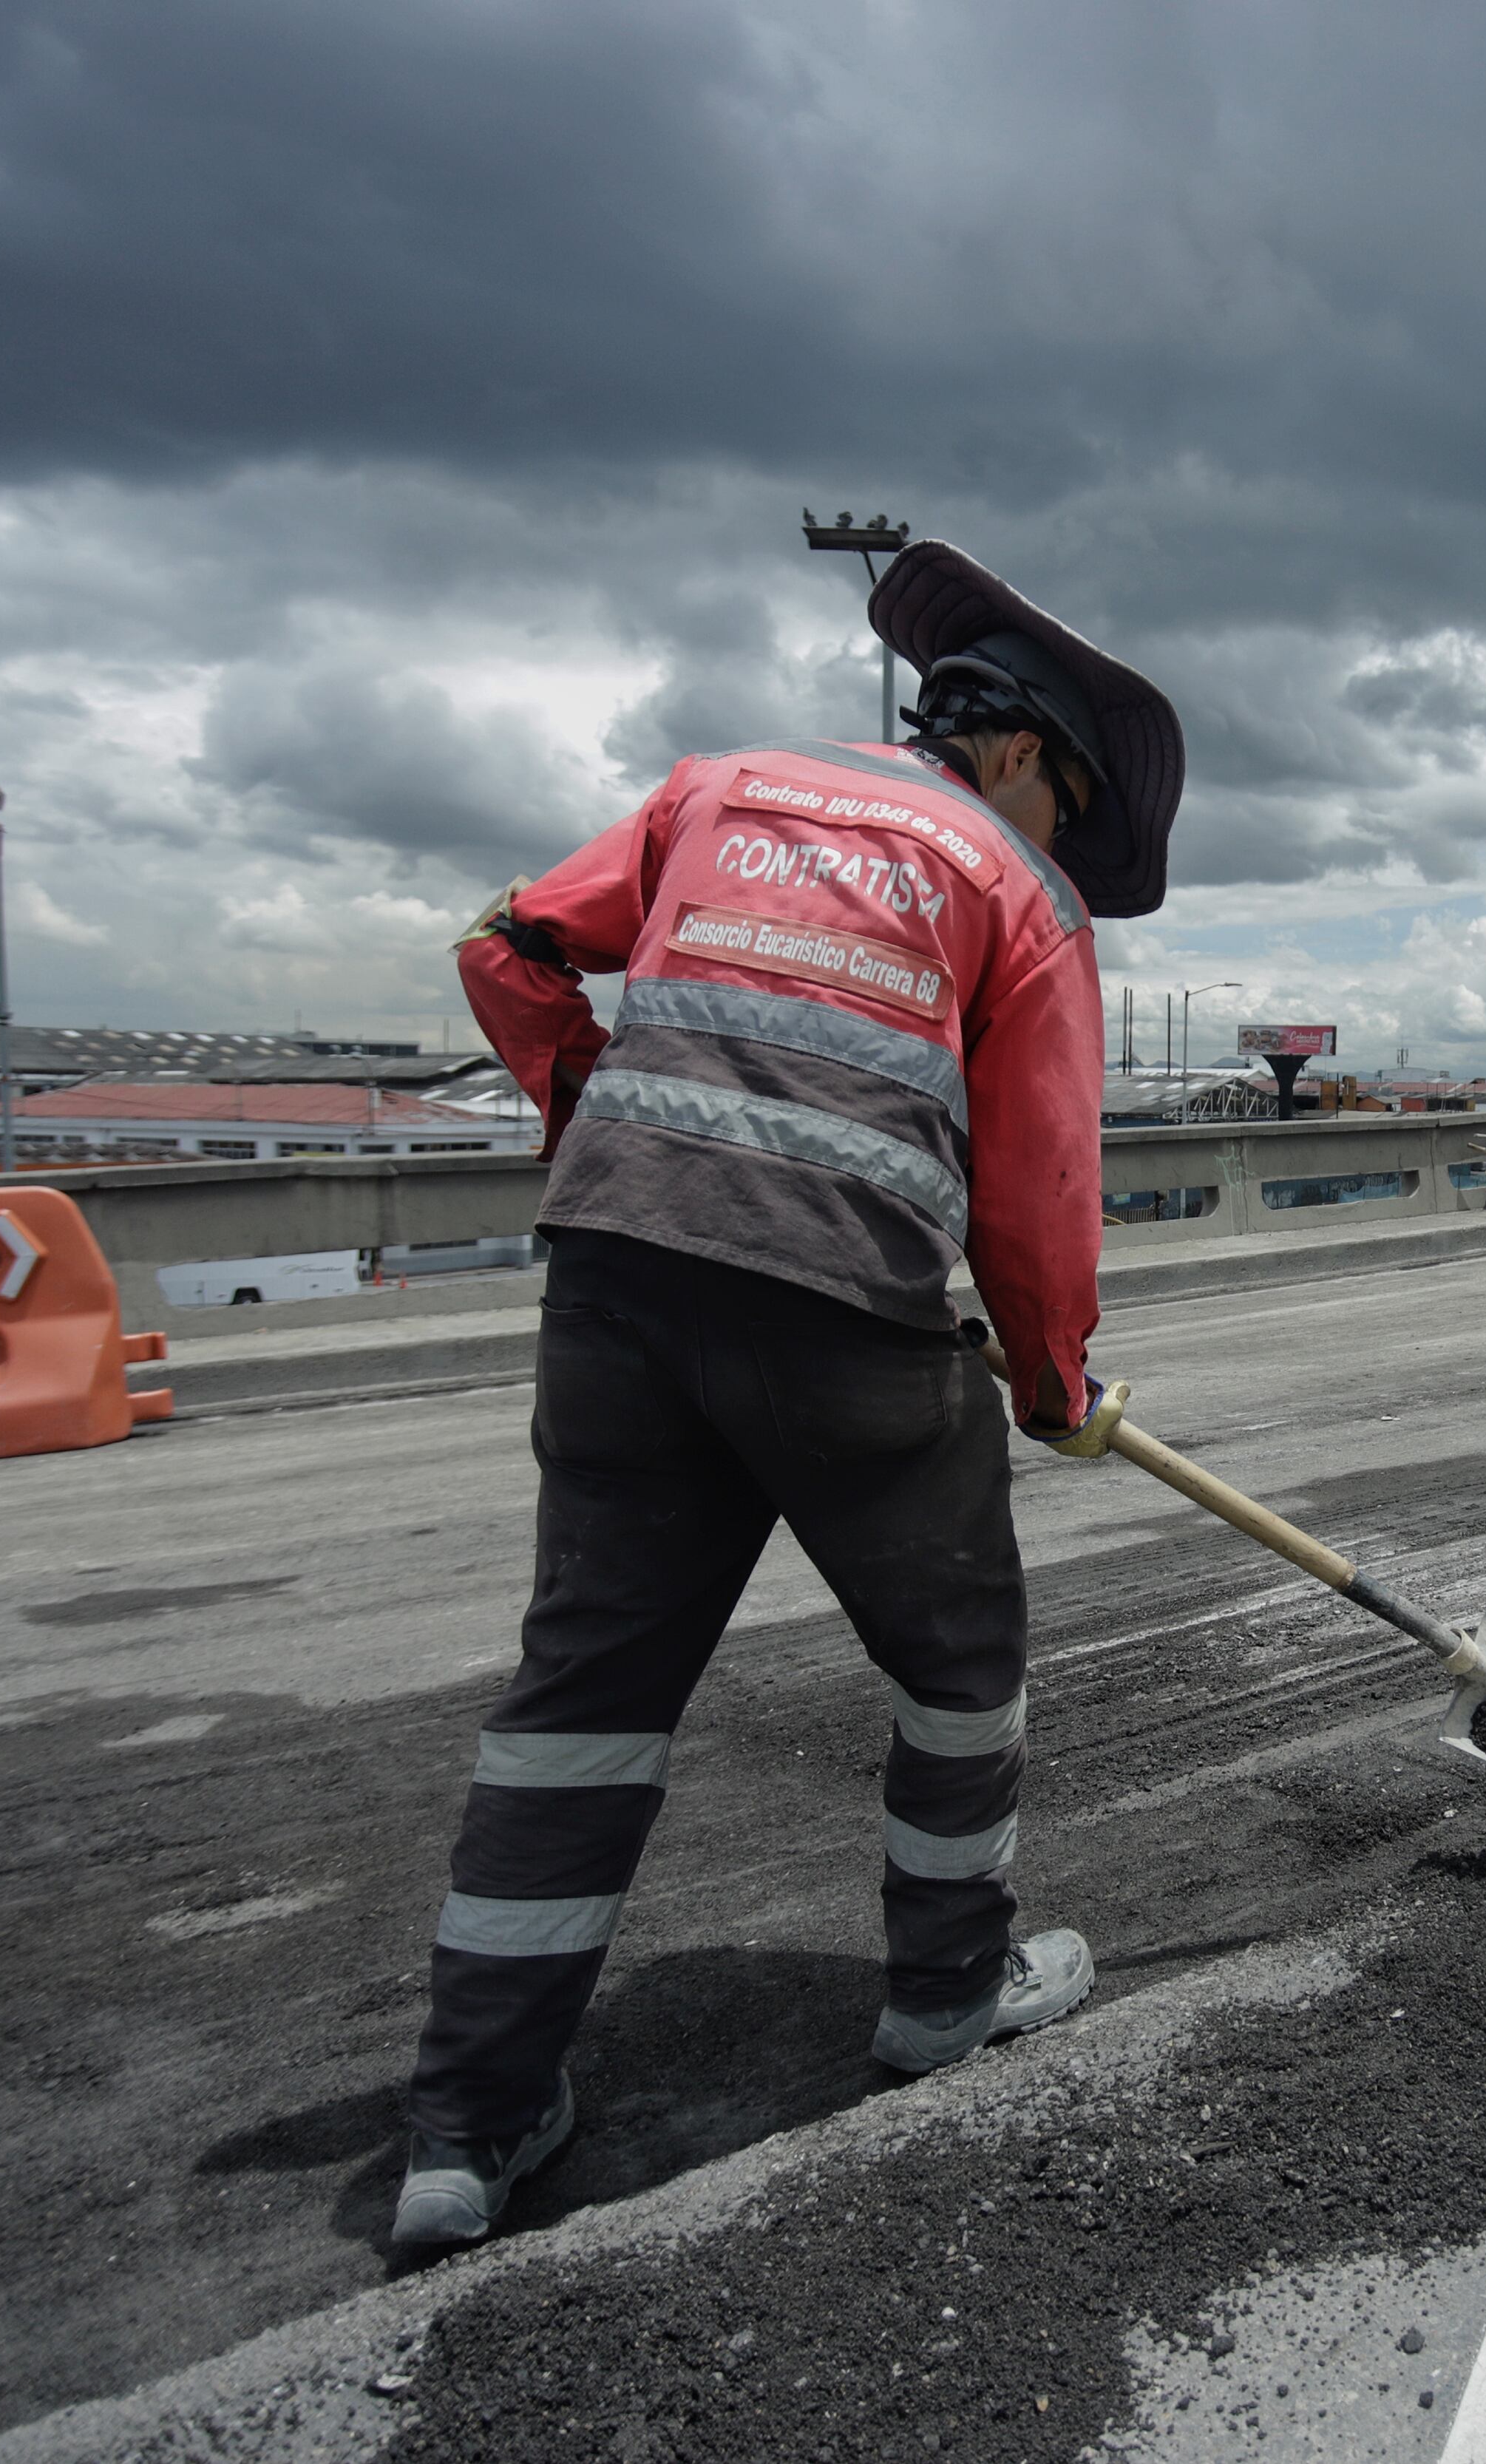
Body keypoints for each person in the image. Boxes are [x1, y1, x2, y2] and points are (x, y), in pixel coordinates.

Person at [390, 541, 1182, 2248]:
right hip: (841, 1324)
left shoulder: (713, 789)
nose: (1056, 849)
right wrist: (1052, 1384)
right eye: (1064, 810)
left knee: (582, 1697)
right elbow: (1038, 1190)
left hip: (616, 1284)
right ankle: (942, 1997)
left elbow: (504, 945)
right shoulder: (1013, 886)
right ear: (1028, 758)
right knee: (958, 1666)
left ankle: (468, 2122)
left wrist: (607, 1105)